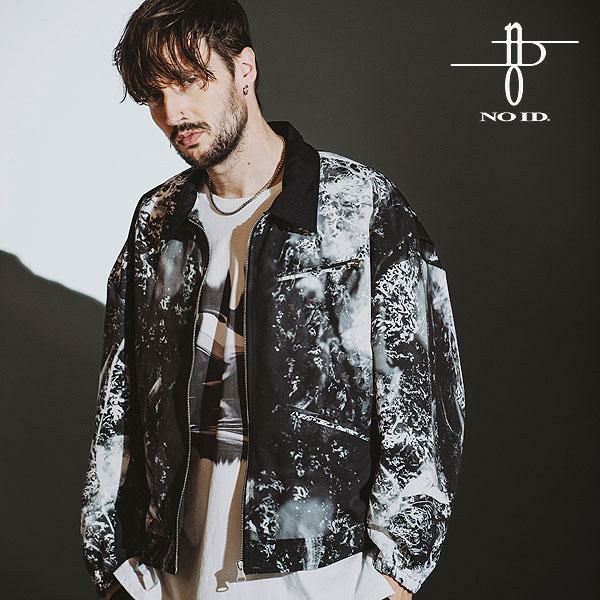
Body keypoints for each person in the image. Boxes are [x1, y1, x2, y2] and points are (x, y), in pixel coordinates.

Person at [79, 1, 466, 599]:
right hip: (172, 574)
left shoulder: (357, 208)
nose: (173, 112)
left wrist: (394, 577)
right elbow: (119, 399)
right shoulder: (157, 220)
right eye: (155, 95)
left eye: (190, 80)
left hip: (320, 573)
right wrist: (112, 568)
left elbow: (420, 402)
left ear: (244, 70)